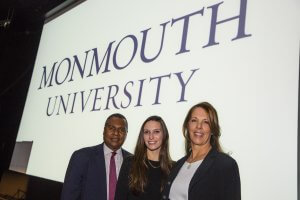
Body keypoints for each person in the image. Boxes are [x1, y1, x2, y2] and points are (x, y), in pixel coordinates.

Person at [162, 102, 241, 200]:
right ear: (187, 125)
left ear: (212, 129)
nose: (199, 126)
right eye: (194, 120)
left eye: (206, 122)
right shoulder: (178, 165)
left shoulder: (225, 165)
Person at [61, 113, 131, 200]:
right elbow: (68, 196)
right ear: (104, 130)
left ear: (126, 134)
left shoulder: (133, 161)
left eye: (121, 130)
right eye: (111, 128)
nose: (116, 133)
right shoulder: (81, 157)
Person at [115, 115, 173, 200]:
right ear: (142, 136)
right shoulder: (130, 163)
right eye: (146, 132)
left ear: (164, 135)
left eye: (156, 132)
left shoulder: (173, 168)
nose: (151, 137)